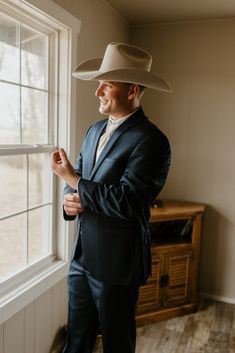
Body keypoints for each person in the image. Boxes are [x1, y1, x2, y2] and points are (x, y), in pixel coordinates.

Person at [51, 42, 171, 353]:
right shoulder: (93, 131)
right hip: (81, 259)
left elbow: (130, 202)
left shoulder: (152, 141)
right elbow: (79, 181)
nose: (98, 92)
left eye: (107, 84)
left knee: (117, 345)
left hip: (117, 267)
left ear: (132, 90)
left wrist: (72, 180)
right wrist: (69, 199)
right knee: (76, 341)